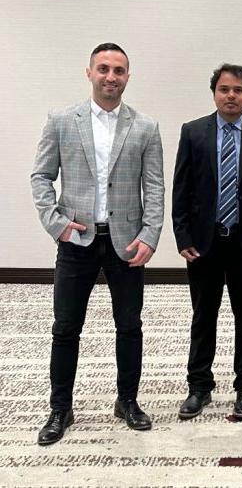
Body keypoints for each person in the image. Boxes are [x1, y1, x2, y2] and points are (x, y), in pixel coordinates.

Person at [31, 43, 164, 445]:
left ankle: (127, 401)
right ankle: (60, 407)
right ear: (89, 72)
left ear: (128, 76)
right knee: (66, 327)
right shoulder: (60, 120)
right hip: (77, 241)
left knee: (130, 326)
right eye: (103, 69)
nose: (111, 76)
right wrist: (56, 224)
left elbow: (154, 187)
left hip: (126, 243)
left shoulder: (145, 127)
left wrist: (150, 234)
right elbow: (41, 177)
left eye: (119, 70)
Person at [172, 63, 242, 421]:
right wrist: (182, 235)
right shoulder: (193, 132)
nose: (231, 95)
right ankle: (199, 386)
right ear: (214, 93)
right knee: (203, 316)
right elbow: (182, 189)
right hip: (203, 243)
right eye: (224, 89)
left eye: (238, 90)